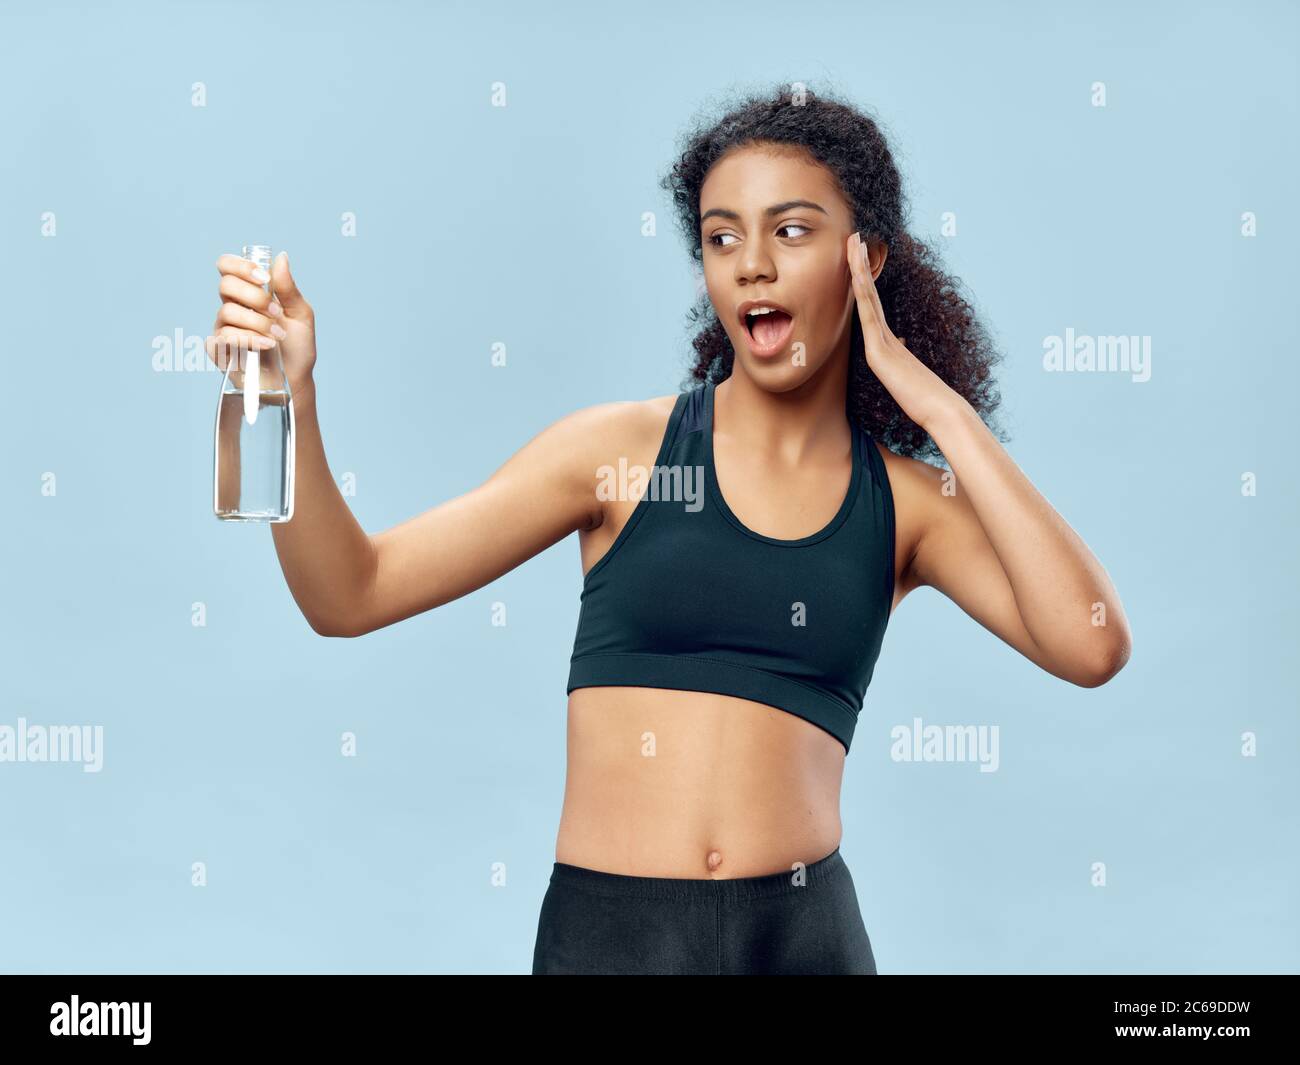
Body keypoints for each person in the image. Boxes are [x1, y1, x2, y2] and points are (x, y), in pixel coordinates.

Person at [205, 84, 1132, 975]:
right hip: (612, 940)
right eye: (721, 236)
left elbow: (1091, 645)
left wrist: (938, 407)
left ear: (867, 258)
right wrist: (286, 398)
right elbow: (348, 592)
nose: (752, 264)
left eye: (792, 230)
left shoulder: (909, 503)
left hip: (806, 940)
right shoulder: (616, 452)